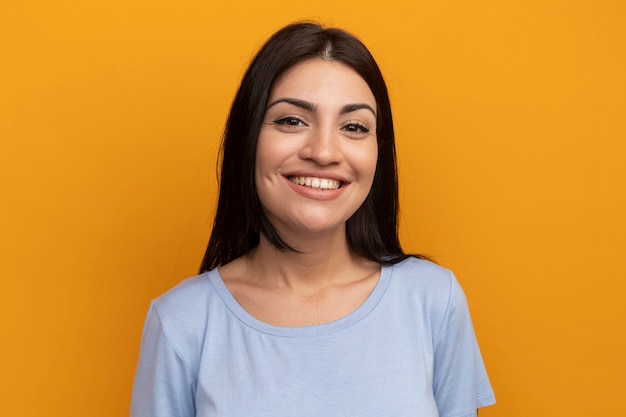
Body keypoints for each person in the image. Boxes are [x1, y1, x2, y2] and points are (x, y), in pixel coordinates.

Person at [131, 22, 495, 417]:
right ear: (248, 137)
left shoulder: (433, 301)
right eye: (292, 120)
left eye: (354, 127)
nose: (323, 152)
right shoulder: (180, 322)